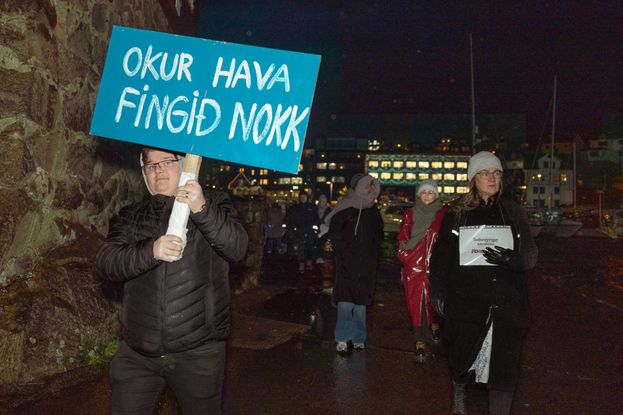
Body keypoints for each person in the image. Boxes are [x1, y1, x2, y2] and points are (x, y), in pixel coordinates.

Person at [96, 148, 248, 415]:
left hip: (198, 352)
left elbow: (237, 248)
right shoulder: (131, 215)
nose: (158, 170)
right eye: (151, 165)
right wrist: (150, 251)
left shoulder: (213, 202)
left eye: (166, 162)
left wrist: (201, 208)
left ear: (184, 164)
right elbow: (106, 263)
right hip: (138, 354)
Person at [429, 151, 538, 415]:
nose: (492, 178)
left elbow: (530, 256)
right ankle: (458, 388)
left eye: (496, 173)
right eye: (485, 173)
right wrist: (438, 292)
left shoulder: (512, 211)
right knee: (462, 356)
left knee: (505, 368)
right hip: (467, 301)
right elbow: (441, 258)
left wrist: (511, 258)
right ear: (473, 179)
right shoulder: (457, 214)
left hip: (507, 302)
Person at [324, 173, 383, 353]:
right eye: (366, 186)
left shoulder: (373, 212)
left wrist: (372, 255)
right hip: (346, 263)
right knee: (345, 302)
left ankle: (359, 337)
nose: (369, 189)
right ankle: (342, 337)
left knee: (360, 304)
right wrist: (344, 252)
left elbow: (378, 236)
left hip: (366, 265)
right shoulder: (345, 207)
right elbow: (335, 233)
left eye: (372, 187)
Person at [396, 179, 446, 363]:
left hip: (435, 266)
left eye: (430, 192)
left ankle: (434, 325)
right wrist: (407, 258)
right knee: (415, 303)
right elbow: (402, 238)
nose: (426, 195)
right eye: (423, 192)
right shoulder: (410, 214)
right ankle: (419, 340)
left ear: (436, 195)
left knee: (432, 301)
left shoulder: (443, 215)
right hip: (413, 266)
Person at [284, 191, 319, 274]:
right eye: (301, 197)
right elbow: (289, 219)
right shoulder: (295, 208)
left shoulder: (312, 207)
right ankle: (301, 265)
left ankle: (309, 263)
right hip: (300, 231)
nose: (303, 198)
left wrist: (315, 229)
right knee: (301, 249)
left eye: (304, 197)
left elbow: (316, 219)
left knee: (310, 248)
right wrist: (291, 229)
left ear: (307, 198)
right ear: (299, 198)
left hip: (310, 231)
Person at [315, 194, 332, 263]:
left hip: (326, 229)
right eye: (322, 201)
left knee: (321, 241)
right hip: (317, 228)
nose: (323, 203)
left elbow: (330, 219)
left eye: (324, 201)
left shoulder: (329, 209)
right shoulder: (316, 209)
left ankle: (320, 257)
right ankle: (317, 257)